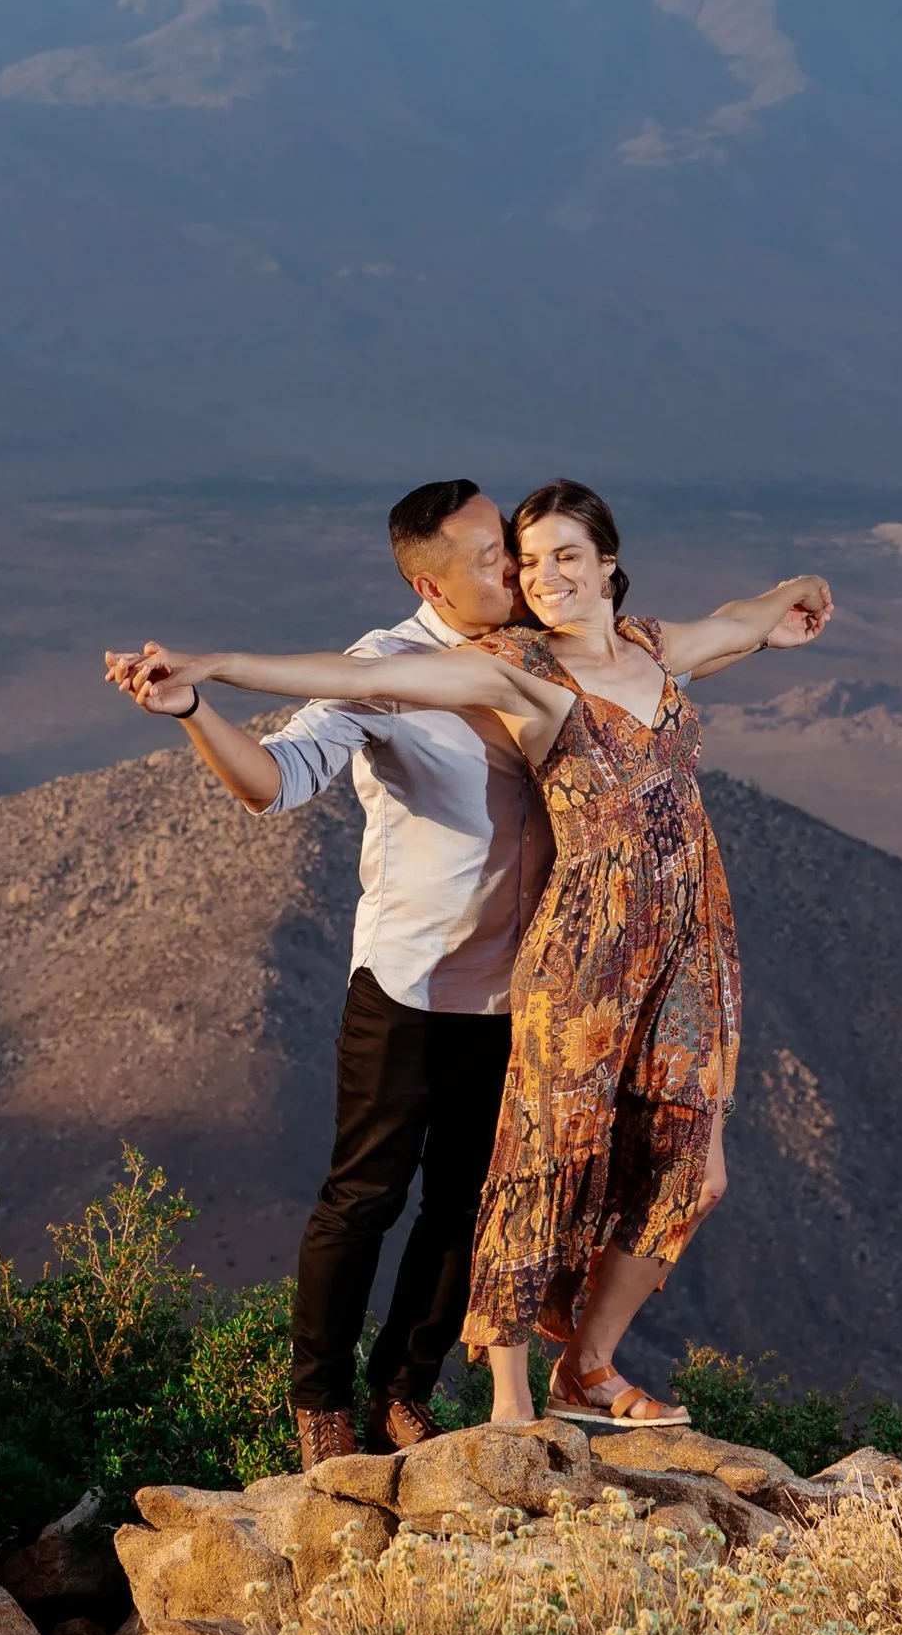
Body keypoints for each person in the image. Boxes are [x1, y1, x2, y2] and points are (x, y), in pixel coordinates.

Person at [106, 483, 829, 1436]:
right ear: (430, 580)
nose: (523, 574)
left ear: (606, 560)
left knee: (486, 1201)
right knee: (370, 1198)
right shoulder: (434, 668)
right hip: (427, 978)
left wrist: (801, 588)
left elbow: (725, 628)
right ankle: (329, 1402)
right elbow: (281, 770)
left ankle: (413, 1391)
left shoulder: (603, 646)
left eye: (533, 554)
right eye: (504, 559)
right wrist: (204, 688)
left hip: (580, 973)